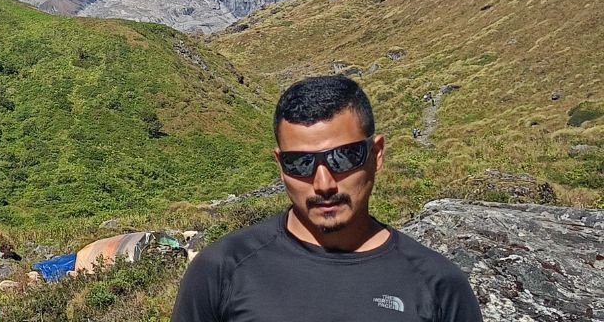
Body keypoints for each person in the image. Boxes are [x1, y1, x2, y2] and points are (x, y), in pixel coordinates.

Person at [171, 75, 482, 321]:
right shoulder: (220, 270)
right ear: (281, 166)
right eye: (300, 163)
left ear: (376, 155)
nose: (323, 184)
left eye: (343, 158)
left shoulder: (439, 285)